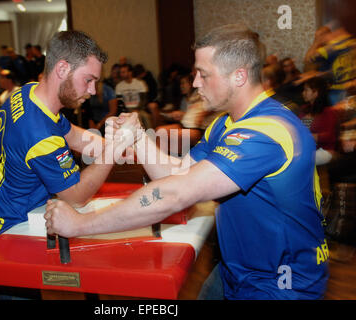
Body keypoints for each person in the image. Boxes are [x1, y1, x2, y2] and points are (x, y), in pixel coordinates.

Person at [44, 24, 329, 300]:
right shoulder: (225, 124)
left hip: (280, 285)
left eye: (204, 75)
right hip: (240, 270)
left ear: (238, 76)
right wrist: (138, 137)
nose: (194, 83)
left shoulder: (267, 132)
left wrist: (79, 225)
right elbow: (178, 173)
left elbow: (175, 193)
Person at [0, 30, 118, 256]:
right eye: (88, 80)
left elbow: (75, 136)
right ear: (62, 69)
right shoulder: (41, 136)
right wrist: (114, 151)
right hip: (5, 242)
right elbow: (76, 196)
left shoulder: (27, 92)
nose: (92, 91)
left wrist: (126, 146)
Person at [299, 77, 338, 166]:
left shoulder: (328, 111)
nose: (303, 93)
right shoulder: (304, 109)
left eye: (306, 90)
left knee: (299, 160)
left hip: (324, 150)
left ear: (316, 92)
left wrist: (311, 136)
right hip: (307, 148)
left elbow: (330, 136)